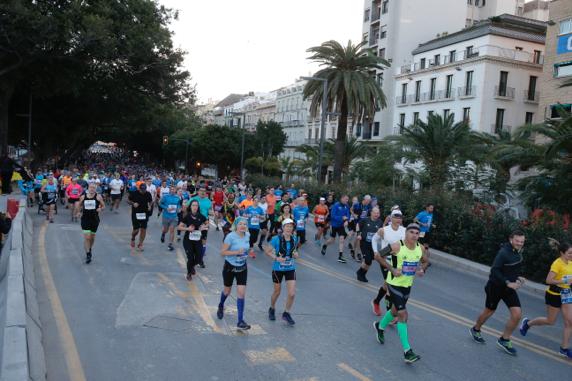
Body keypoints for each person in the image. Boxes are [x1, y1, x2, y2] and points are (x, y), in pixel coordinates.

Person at [372, 223, 429, 364]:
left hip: (407, 285)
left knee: (395, 310)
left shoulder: (420, 248)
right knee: (403, 314)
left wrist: (422, 270)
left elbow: (426, 261)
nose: (415, 235)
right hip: (394, 284)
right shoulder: (397, 246)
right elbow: (378, 256)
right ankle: (407, 352)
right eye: (412, 232)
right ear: (406, 234)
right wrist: (392, 269)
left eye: (417, 233)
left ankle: (380, 327)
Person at [469, 230, 527, 355]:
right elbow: (495, 270)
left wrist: (519, 277)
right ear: (511, 239)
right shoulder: (503, 253)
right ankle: (476, 329)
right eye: (517, 241)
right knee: (489, 311)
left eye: (522, 241)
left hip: (509, 289)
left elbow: (514, 267)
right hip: (495, 287)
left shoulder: (518, 251)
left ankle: (504, 340)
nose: (519, 243)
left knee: (517, 314)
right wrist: (507, 282)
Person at [519, 238, 572, 359]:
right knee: (550, 321)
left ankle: (563, 349)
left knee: (570, 322)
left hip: (567, 294)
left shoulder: (571, 262)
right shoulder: (557, 264)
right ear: (562, 253)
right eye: (569, 253)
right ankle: (528, 323)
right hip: (554, 293)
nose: (571, 255)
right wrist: (564, 280)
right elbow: (548, 280)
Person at [369, 209, 406, 315]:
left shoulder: (404, 230)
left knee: (387, 285)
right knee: (390, 286)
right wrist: (376, 252)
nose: (398, 219)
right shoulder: (384, 230)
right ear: (391, 217)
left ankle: (376, 302)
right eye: (396, 216)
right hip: (385, 260)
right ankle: (390, 314)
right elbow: (374, 239)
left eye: (400, 217)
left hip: (398, 262)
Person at [217, 217, 252, 330]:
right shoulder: (230, 236)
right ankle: (221, 305)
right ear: (236, 225)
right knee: (227, 291)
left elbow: (247, 248)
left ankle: (240, 321)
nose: (243, 226)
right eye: (240, 224)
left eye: (245, 224)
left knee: (241, 294)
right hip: (230, 268)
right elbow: (222, 252)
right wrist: (236, 252)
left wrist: (249, 252)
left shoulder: (247, 235)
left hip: (242, 268)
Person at [265, 218, 299, 325]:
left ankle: (286, 313)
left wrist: (296, 255)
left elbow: (294, 252)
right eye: (287, 226)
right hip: (278, 269)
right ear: (283, 227)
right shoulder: (276, 239)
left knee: (292, 293)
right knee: (277, 292)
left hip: (290, 268)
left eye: (291, 226)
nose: (289, 228)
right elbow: (267, 251)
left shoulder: (294, 238)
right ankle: (272, 308)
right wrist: (276, 258)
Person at [178, 200, 208, 281]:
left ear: (198, 207)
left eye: (196, 205)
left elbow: (207, 223)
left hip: (198, 240)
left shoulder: (201, 216)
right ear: (190, 207)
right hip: (188, 241)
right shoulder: (187, 216)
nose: (195, 207)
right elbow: (179, 227)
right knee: (190, 258)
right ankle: (189, 273)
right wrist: (187, 228)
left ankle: (191, 266)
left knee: (199, 259)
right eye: (193, 205)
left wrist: (203, 227)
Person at [355, 207, 383, 283]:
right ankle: (360, 273)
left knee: (369, 261)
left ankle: (361, 274)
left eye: (378, 213)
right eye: (375, 213)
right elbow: (358, 225)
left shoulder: (380, 222)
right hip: (364, 242)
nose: (376, 214)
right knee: (368, 260)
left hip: (373, 244)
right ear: (371, 213)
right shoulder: (365, 220)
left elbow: (381, 232)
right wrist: (358, 234)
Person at [78, 183, 104, 264]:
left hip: (95, 220)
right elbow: (79, 205)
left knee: (92, 237)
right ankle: (88, 254)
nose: (92, 189)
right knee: (87, 237)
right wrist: (79, 212)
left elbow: (103, 206)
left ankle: (89, 248)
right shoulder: (83, 197)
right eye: (90, 187)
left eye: (93, 188)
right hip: (85, 219)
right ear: (88, 188)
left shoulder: (98, 197)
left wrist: (100, 209)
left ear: (95, 189)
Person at [321, 195, 350, 263]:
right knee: (332, 240)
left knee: (342, 239)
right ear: (342, 198)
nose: (347, 201)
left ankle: (340, 256)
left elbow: (348, 215)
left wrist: (346, 221)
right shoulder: (336, 205)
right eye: (346, 199)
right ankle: (325, 245)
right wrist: (341, 218)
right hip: (334, 225)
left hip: (341, 226)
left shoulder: (346, 206)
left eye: (347, 200)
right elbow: (333, 216)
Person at [190, 187, 212, 268]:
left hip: (204, 223)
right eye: (201, 191)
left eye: (204, 191)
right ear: (198, 192)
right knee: (194, 241)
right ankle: (193, 258)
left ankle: (200, 260)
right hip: (194, 223)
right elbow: (186, 207)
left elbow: (210, 211)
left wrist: (212, 213)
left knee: (203, 242)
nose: (202, 192)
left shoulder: (208, 201)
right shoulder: (194, 199)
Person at [128, 183, 153, 251]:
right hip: (136, 213)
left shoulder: (148, 194)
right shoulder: (134, 193)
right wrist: (133, 203)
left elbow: (151, 201)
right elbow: (128, 200)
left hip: (144, 213)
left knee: (143, 229)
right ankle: (133, 238)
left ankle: (140, 244)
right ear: (139, 188)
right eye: (142, 190)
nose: (143, 191)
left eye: (144, 190)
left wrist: (150, 206)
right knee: (136, 230)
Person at [159, 185, 181, 251]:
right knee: (166, 230)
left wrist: (178, 209)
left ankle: (170, 244)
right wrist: (166, 208)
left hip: (174, 217)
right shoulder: (165, 197)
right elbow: (160, 203)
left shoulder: (177, 198)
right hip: (166, 216)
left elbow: (178, 205)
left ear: (175, 190)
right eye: (171, 189)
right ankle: (163, 233)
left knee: (172, 230)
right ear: (169, 190)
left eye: (173, 189)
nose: (172, 190)